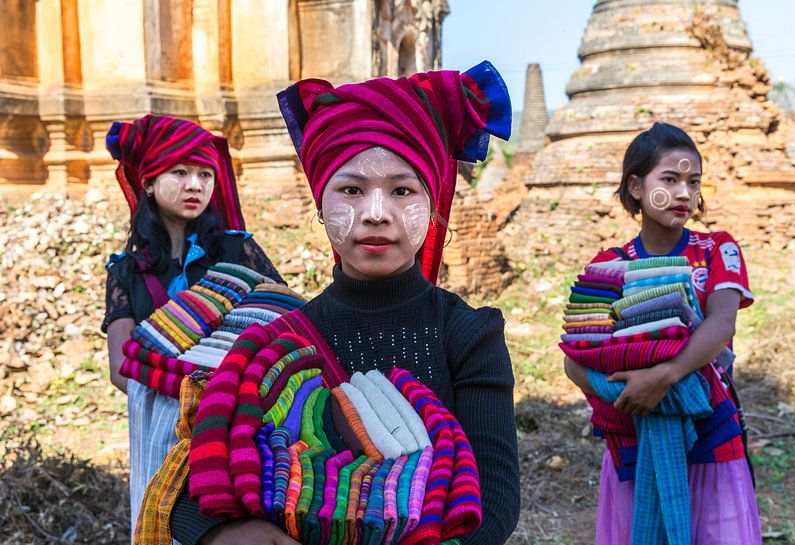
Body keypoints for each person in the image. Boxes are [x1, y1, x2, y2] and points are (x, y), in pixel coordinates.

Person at [162, 61, 520, 545]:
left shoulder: (468, 335)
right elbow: (189, 490)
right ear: (319, 203)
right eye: (351, 190)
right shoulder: (276, 342)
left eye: (402, 190)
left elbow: (495, 503)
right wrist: (233, 532)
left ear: (433, 204)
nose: (375, 214)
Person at [563, 122, 761, 544]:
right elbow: (576, 357)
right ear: (636, 186)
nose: (685, 194)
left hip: (713, 433)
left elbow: (721, 325)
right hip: (633, 430)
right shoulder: (609, 267)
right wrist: (629, 390)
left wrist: (663, 378)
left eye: (694, 182)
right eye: (669, 180)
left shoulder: (716, 249)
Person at [101, 114, 286, 536]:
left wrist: (225, 393)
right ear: (148, 182)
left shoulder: (238, 251)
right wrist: (193, 392)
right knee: (166, 522)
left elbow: (281, 320)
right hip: (161, 426)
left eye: (205, 174)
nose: (195, 185)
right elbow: (121, 367)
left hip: (242, 418)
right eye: (180, 172)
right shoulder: (127, 272)